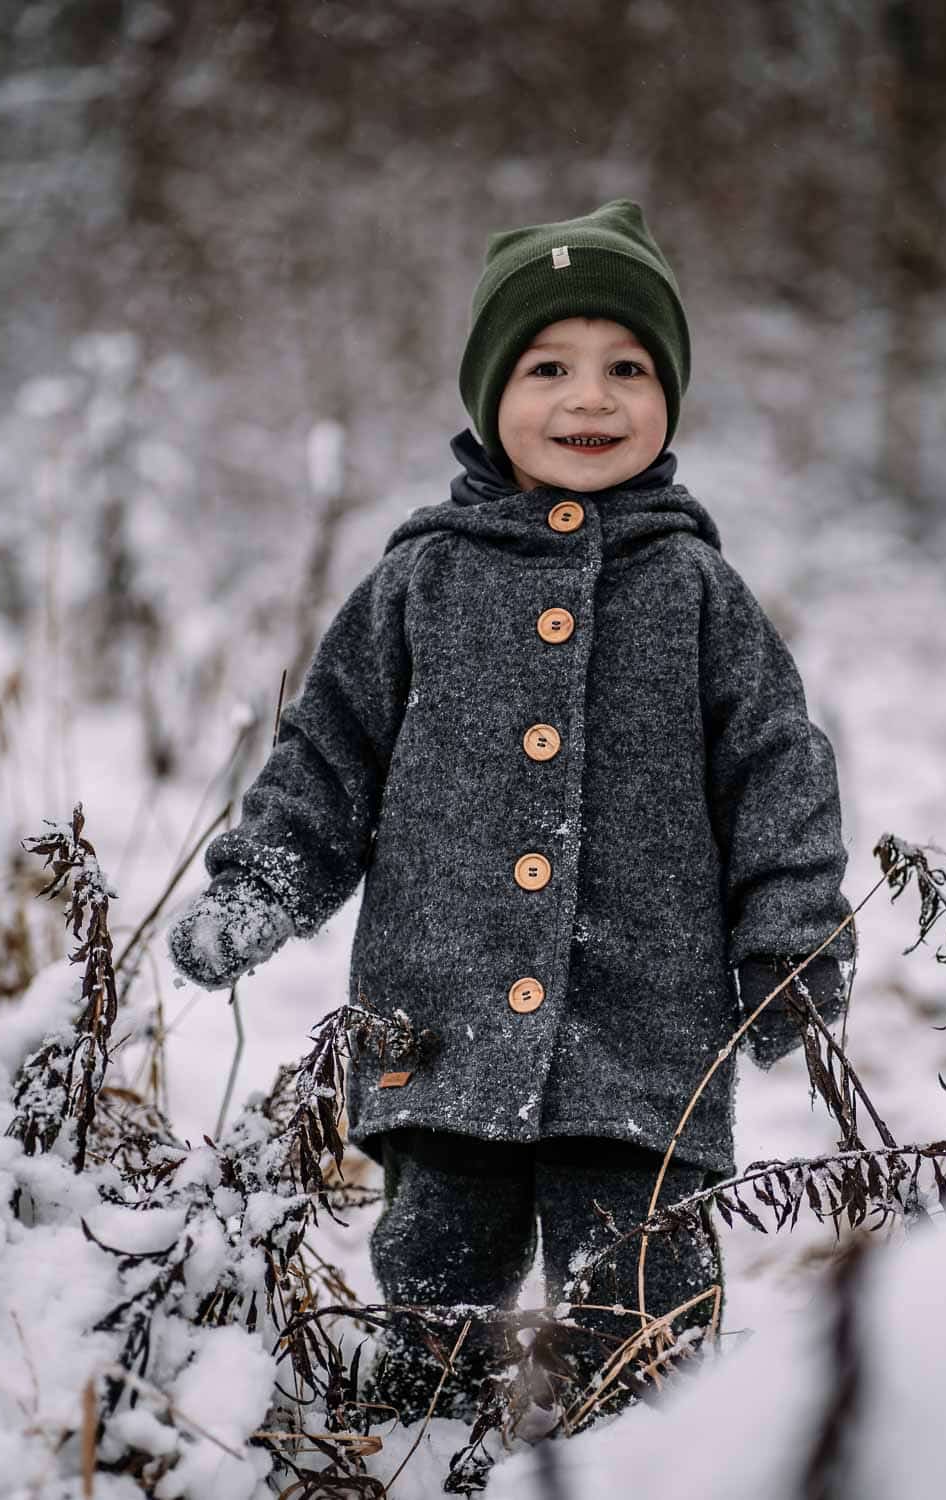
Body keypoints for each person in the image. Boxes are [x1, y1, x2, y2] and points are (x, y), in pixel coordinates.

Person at [167, 199, 854, 1429]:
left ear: (671, 396)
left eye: (627, 368)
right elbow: (329, 755)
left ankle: (646, 1459)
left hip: (649, 1041)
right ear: (490, 396)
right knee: (433, 1304)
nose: (589, 399)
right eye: (548, 368)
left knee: (642, 1319)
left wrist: (791, 944)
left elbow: (778, 771)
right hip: (438, 1025)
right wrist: (262, 882)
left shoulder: (698, 592)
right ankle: (424, 1454)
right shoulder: (420, 580)